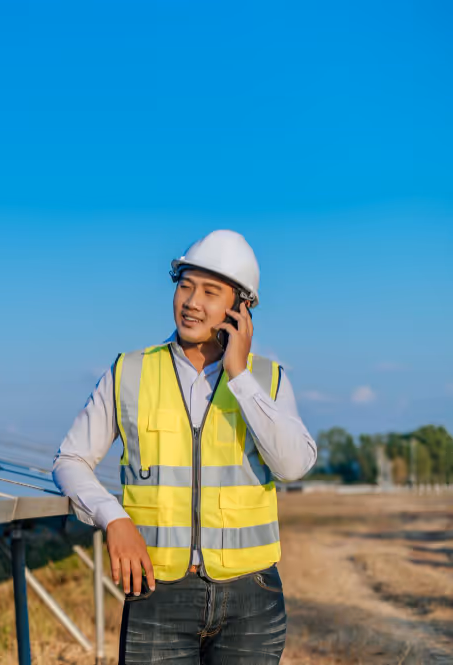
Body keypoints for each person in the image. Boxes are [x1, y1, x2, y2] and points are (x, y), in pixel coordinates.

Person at [53, 230, 317, 663]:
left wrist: (239, 376)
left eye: (211, 292)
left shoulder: (267, 379)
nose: (192, 302)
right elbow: (70, 460)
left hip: (252, 599)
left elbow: (292, 465)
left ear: (241, 308)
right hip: (157, 592)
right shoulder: (129, 372)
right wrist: (113, 519)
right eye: (185, 286)